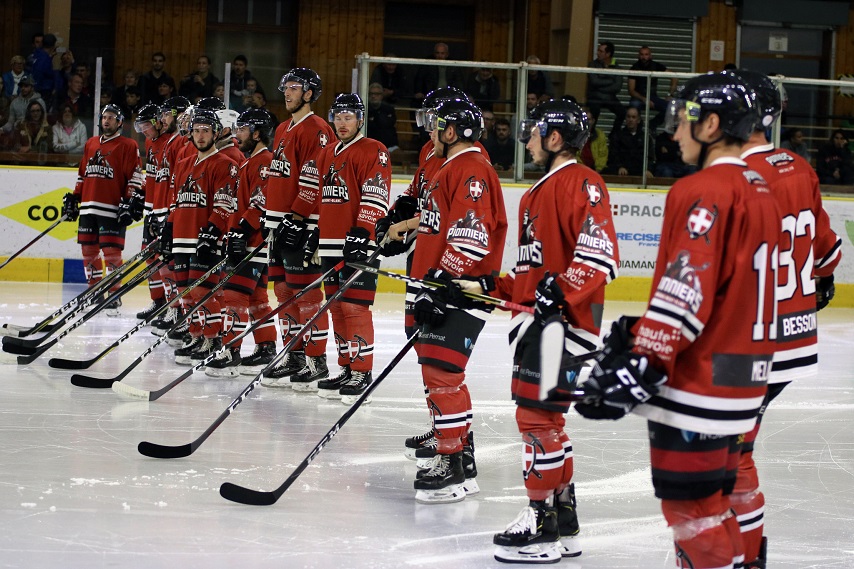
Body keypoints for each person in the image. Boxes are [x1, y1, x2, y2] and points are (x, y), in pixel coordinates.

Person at [574, 71, 781, 569]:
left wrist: (644, 360)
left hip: (700, 384)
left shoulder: (702, 189)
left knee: (690, 507)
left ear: (712, 123)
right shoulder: (762, 188)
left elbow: (686, 292)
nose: (674, 133)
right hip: (745, 377)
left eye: (683, 120)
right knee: (715, 499)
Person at [483, 98, 619, 563]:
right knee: (550, 423)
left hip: (560, 328)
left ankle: (539, 524)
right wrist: (489, 285)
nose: (529, 138)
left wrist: (559, 293)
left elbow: (597, 257)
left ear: (555, 137)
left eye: (537, 130)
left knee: (535, 422)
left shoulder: (582, 182)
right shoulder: (538, 191)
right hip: (542, 324)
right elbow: (532, 275)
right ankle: (564, 519)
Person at [736, 69, 842, 568]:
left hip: (751, 341)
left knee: (723, 454)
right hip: (794, 338)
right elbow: (826, 251)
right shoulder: (799, 167)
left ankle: (739, 556)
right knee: (734, 448)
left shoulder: (734, 177)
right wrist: (819, 280)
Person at [404, 98, 507, 504]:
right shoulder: (452, 166)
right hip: (441, 286)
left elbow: (471, 233)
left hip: (458, 288)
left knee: (443, 375)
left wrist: (442, 281)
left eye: (436, 126)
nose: (430, 132)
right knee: (438, 374)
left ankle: (453, 463)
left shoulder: (470, 168)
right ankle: (459, 454)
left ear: (451, 132)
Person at [310, 93, 391, 402]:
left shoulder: (374, 150)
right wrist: (314, 232)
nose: (342, 123)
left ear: (360, 119)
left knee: (355, 308)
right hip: (330, 243)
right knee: (337, 308)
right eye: (338, 117)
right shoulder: (327, 152)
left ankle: (362, 370)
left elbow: (376, 192)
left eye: (348, 117)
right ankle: (346, 366)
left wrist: (362, 233)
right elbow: (321, 197)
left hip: (360, 243)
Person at [259, 68, 335, 389]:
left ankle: (316, 361)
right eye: (285, 87)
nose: (286, 92)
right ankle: (294, 354)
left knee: (306, 297)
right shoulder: (281, 129)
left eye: (294, 87)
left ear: (308, 93)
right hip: (278, 224)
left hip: (301, 225)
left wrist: (301, 218)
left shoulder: (317, 129)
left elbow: (318, 178)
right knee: (282, 292)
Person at [206, 108, 278, 377]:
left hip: (254, 241)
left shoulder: (266, 161)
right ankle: (266, 346)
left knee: (234, 295)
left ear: (257, 134)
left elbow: (263, 199)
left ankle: (231, 350)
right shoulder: (250, 162)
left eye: (243, 130)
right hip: (248, 239)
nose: (237, 135)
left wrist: (243, 230)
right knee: (257, 297)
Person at [165, 107, 240, 364]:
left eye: (205, 131)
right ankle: (197, 336)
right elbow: (177, 202)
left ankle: (213, 338)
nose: (200, 135)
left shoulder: (226, 165)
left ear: (216, 133)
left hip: (205, 239)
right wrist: (168, 228)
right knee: (185, 291)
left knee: (203, 292)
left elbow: (224, 203)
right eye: (196, 131)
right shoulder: (184, 164)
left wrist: (212, 231)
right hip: (182, 237)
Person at [62, 104, 144, 315]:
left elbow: (134, 176)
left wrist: (129, 200)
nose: (106, 121)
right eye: (104, 117)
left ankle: (114, 295)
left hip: (112, 208)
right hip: (89, 206)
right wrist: (75, 197)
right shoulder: (91, 143)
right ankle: (94, 291)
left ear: (120, 122)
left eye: (111, 117)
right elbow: (83, 174)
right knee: (88, 251)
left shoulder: (128, 145)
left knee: (112, 253)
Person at [147, 95, 193, 339]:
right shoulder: (169, 142)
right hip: (164, 210)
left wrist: (168, 213)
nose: (162, 119)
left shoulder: (180, 144)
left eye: (166, 114)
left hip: (173, 212)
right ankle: (172, 308)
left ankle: (178, 312)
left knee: (174, 267)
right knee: (165, 265)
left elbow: (178, 186)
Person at [131, 103, 171, 320]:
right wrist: (141, 194)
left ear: (157, 121)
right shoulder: (150, 142)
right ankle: (158, 301)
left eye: (147, 125)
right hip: (152, 209)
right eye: (141, 126)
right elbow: (153, 176)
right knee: (150, 257)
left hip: (165, 209)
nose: (144, 130)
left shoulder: (172, 143)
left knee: (165, 260)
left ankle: (173, 305)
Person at [627, 45, 677, 131]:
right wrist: (644, 99)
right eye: (642, 54)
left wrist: (670, 94)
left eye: (646, 54)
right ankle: (638, 129)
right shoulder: (634, 68)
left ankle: (651, 125)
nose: (644, 57)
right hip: (638, 97)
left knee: (670, 107)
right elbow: (631, 91)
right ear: (638, 55)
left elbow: (674, 77)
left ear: (650, 55)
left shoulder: (655, 66)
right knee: (634, 107)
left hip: (652, 97)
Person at [586, 42, 625, 134]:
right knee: (594, 112)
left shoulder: (617, 67)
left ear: (608, 54)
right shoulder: (592, 65)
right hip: (594, 97)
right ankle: (590, 133)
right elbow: (594, 81)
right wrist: (611, 80)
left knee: (622, 112)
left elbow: (617, 87)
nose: (597, 53)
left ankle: (615, 134)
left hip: (609, 97)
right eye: (598, 50)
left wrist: (600, 87)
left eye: (601, 51)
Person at [603, 106, 654, 177]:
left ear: (638, 120)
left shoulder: (645, 138)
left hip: (640, 172)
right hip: (622, 172)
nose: (630, 119)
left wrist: (648, 169)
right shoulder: (618, 136)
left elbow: (650, 157)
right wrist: (620, 167)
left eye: (633, 117)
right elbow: (613, 155)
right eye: (628, 117)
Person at [366, 82, 399, 151]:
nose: (373, 96)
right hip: (369, 146)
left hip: (389, 146)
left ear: (381, 96)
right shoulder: (365, 110)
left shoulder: (389, 109)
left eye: (377, 94)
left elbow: (389, 124)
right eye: (371, 94)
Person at [30, 33, 57, 111]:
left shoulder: (36, 54)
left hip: (37, 89)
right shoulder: (44, 59)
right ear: (53, 46)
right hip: (42, 92)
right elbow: (40, 73)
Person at [578, 106, 608, 172]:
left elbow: (603, 155)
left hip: (596, 170)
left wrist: (597, 169)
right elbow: (573, 155)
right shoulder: (575, 135)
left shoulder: (600, 135)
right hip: (579, 170)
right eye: (584, 119)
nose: (586, 122)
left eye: (588, 119)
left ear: (593, 121)